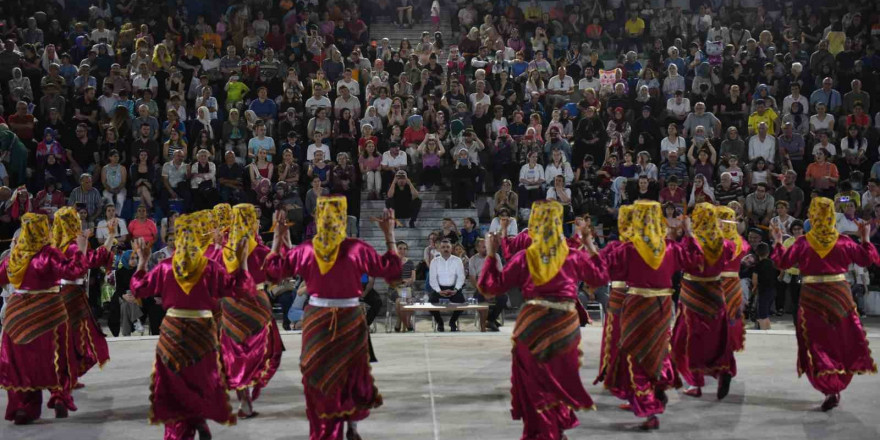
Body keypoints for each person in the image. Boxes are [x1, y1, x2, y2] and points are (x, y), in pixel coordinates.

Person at [266, 197, 401, 440]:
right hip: (331, 317)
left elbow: (275, 271)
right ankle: (342, 426)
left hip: (334, 318)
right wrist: (388, 235)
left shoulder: (319, 249)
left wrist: (278, 239)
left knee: (342, 372)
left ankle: (348, 425)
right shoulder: (349, 248)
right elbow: (391, 270)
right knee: (333, 372)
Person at [479, 200, 605, 440]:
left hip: (532, 326)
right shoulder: (572, 255)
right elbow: (599, 277)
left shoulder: (524, 257)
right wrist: (589, 244)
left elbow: (489, 287)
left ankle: (545, 433)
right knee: (559, 378)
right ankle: (555, 429)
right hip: (565, 326)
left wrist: (491, 253)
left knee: (537, 383)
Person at [128, 210, 254, 440]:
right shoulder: (210, 267)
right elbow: (239, 288)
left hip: (173, 330)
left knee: (174, 382)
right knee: (200, 378)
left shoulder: (166, 267)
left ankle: (181, 429)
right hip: (203, 330)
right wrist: (242, 260)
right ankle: (197, 418)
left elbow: (138, 288)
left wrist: (143, 262)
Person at [770, 197, 878, 412]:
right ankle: (838, 378)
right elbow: (867, 259)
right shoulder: (844, 241)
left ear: (811, 215)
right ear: (832, 216)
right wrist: (865, 238)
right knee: (842, 338)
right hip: (840, 296)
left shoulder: (802, 242)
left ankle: (829, 387)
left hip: (812, 296)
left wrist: (779, 242)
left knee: (816, 340)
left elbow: (782, 263)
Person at [604, 200, 702, 430]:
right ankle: (659, 383)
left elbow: (606, 269)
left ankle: (650, 410)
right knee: (659, 349)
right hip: (663, 305)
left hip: (637, 305)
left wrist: (589, 246)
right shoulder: (671, 247)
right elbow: (695, 261)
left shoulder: (629, 248)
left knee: (635, 355)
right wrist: (689, 234)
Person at [0, 213, 88, 424]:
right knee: (56, 357)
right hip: (49, 312)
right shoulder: (49, 254)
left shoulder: (15, 255)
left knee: (21, 362)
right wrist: (82, 249)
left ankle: (23, 406)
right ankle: (59, 397)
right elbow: (74, 271)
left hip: (18, 316)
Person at [218, 204, 284, 419]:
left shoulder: (224, 253)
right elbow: (277, 276)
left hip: (231, 306)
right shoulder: (262, 251)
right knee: (264, 351)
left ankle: (243, 397)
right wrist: (279, 241)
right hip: (257, 303)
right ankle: (252, 387)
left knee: (235, 353)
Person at [671, 203, 738, 400]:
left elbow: (681, 261)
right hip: (715, 294)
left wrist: (684, 235)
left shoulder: (690, 242)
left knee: (687, 339)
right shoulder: (725, 243)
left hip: (692, 295)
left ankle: (695, 383)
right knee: (717, 338)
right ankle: (722, 370)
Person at [51, 206, 114, 387]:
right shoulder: (71, 246)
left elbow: (95, 258)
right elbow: (88, 263)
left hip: (64, 294)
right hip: (71, 295)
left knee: (70, 337)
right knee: (75, 337)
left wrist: (108, 236)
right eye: (76, 220)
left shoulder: (58, 245)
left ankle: (68, 376)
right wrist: (83, 245)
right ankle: (66, 377)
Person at [594, 205, 634, 404]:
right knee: (621, 335)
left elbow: (597, 264)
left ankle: (624, 377)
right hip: (630, 297)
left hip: (626, 297)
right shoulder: (616, 246)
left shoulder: (617, 248)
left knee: (620, 336)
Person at [716, 205, 753, 353]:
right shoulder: (741, 243)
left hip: (716, 283)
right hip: (734, 283)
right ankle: (729, 345)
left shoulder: (717, 242)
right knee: (731, 315)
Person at [428, 239, 466, 332]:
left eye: (448, 247)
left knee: (462, 303)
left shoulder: (457, 260)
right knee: (430, 304)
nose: (446, 249)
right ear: (439, 249)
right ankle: (440, 323)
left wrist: (456, 289)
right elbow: (432, 279)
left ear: (451, 248)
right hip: (439, 289)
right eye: (443, 247)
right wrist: (439, 291)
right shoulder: (434, 261)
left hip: (453, 289)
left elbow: (461, 277)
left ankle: (452, 322)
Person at [751, 243, 777, 330]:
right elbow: (780, 272)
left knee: (762, 314)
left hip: (763, 291)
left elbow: (755, 279)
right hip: (772, 290)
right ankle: (768, 328)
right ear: (768, 252)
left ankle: (764, 331)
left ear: (757, 253)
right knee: (766, 313)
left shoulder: (758, 265)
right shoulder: (772, 263)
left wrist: (754, 288)